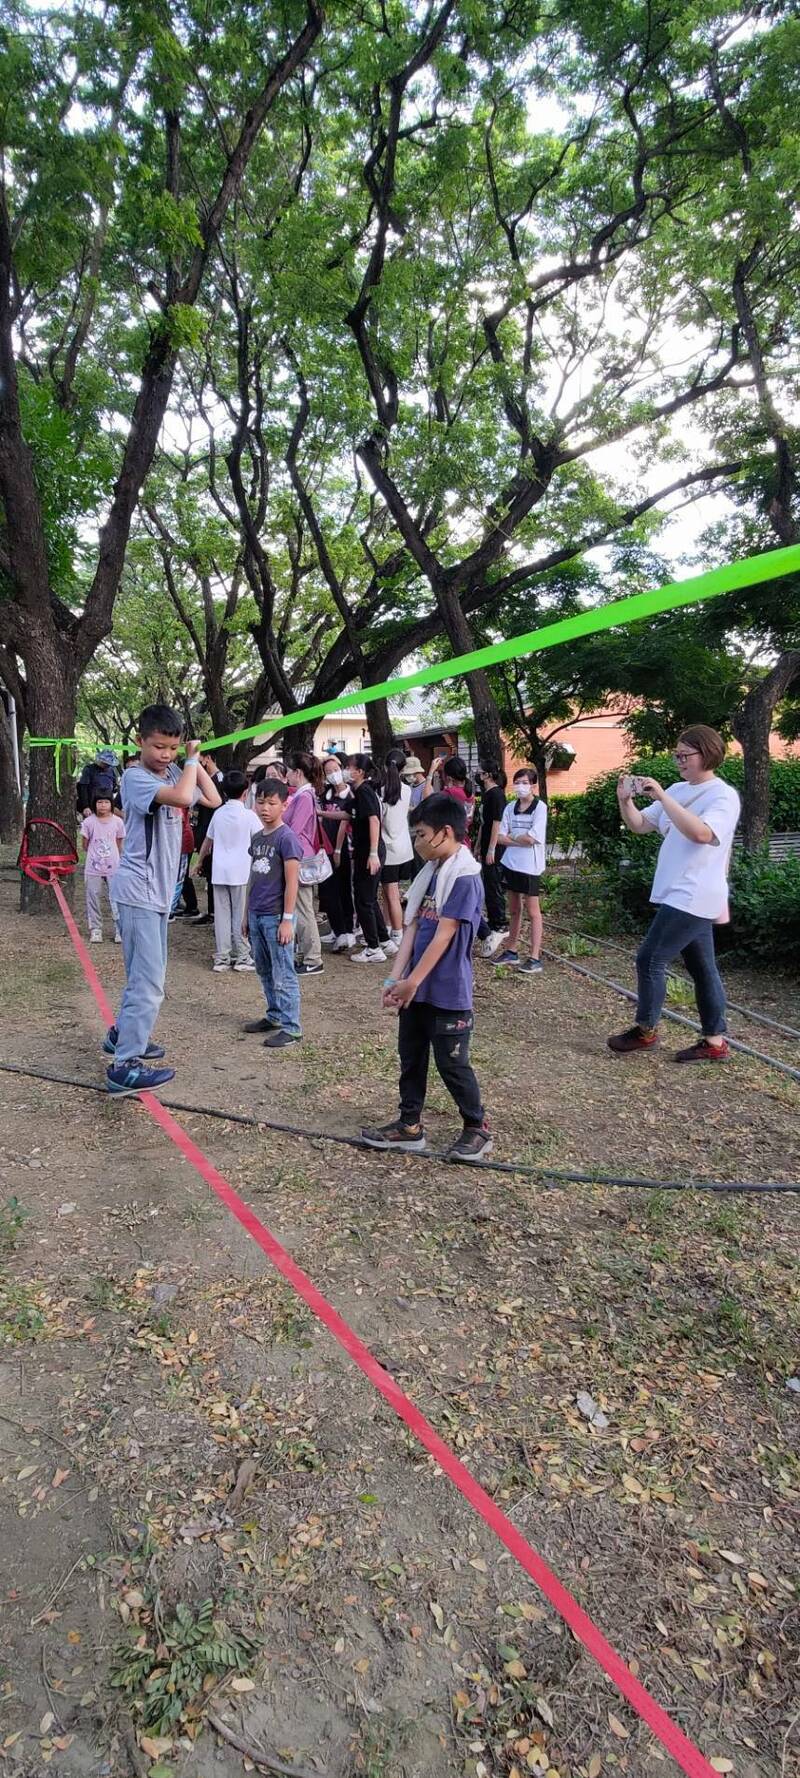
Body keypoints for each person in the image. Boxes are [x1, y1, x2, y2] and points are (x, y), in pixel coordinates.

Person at [361, 792, 491, 1163]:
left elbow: (446, 932)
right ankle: (409, 1125)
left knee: (453, 1064)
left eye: (420, 834)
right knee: (411, 1057)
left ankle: (476, 1127)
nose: (416, 843)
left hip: (448, 993)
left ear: (444, 833)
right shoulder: (430, 875)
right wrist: (394, 979)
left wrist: (413, 981)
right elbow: (415, 928)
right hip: (416, 991)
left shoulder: (464, 878)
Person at [105, 705, 222, 1096]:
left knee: (145, 974)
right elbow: (185, 795)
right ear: (140, 742)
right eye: (159, 746)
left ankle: (121, 1035)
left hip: (157, 894)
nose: (166, 755)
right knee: (148, 982)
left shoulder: (174, 768)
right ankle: (124, 1064)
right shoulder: (136, 777)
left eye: (172, 748)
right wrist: (189, 760)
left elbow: (213, 798)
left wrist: (196, 759)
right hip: (138, 891)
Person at [607, 725, 741, 1062]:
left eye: (685, 755)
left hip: (695, 893)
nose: (679, 760)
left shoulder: (722, 796)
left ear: (707, 754)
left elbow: (701, 833)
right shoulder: (679, 789)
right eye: (676, 754)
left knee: (650, 958)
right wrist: (626, 801)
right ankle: (714, 1042)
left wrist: (663, 796)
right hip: (680, 892)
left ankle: (645, 1031)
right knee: (702, 968)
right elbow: (640, 825)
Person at [242, 777, 303, 1049]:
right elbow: (253, 877)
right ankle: (274, 1015)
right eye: (261, 801)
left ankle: (292, 1027)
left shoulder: (287, 838)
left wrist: (287, 919)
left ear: (284, 805)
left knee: (284, 971)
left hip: (276, 916)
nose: (265, 808)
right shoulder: (257, 838)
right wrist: (245, 915)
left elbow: (293, 882)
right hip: (256, 914)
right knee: (264, 969)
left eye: (271, 803)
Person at [194, 768, 262, 972]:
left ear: (223, 793)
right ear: (245, 792)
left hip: (219, 871)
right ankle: (242, 956)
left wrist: (199, 862)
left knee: (222, 915)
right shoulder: (249, 815)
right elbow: (260, 840)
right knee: (240, 915)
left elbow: (208, 840)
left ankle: (222, 957)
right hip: (241, 872)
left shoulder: (218, 813)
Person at [492, 767, 547, 973]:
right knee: (514, 909)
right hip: (511, 863)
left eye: (525, 782)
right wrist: (518, 838)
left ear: (533, 785)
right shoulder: (509, 807)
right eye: (518, 782)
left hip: (530, 867)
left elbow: (532, 839)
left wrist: (513, 837)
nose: (520, 786)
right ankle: (511, 950)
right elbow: (499, 836)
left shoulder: (540, 808)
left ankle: (534, 956)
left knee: (533, 911)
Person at [284, 751, 326, 976]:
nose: (287, 776)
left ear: (297, 773)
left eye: (289, 771)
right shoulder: (306, 795)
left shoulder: (303, 797)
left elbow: (293, 830)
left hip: (299, 859)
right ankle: (306, 955)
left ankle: (313, 958)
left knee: (303, 908)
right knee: (301, 907)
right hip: (300, 857)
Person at [346, 754, 390, 963]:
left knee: (363, 900)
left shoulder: (364, 791)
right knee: (370, 898)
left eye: (349, 767)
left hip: (369, 852)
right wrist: (320, 813)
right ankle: (383, 939)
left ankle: (373, 947)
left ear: (359, 772)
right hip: (368, 850)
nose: (346, 770)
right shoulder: (361, 792)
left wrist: (373, 853)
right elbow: (348, 815)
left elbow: (374, 820)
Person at [318, 754, 356, 951]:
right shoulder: (325, 795)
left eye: (335, 770)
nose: (333, 775)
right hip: (326, 849)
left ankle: (348, 931)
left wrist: (339, 849)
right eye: (328, 772)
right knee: (329, 891)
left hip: (344, 850)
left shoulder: (351, 796)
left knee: (344, 890)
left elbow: (344, 821)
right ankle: (337, 929)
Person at [378, 749, 414, 954]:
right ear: (403, 769)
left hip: (388, 850)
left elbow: (383, 822)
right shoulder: (407, 790)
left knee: (390, 893)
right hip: (404, 849)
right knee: (391, 892)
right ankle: (389, 927)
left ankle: (398, 933)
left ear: (384, 766)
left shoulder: (381, 791)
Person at [474, 761, 510, 956]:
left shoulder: (496, 795)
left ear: (487, 775)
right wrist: (479, 845)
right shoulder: (487, 795)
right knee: (487, 883)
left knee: (494, 884)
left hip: (495, 848)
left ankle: (500, 924)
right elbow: (484, 823)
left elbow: (497, 823)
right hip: (487, 844)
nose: (477, 774)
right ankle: (494, 920)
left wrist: (491, 849)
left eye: (480, 771)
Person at [80, 793, 125, 944]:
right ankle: (95, 929)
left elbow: (119, 842)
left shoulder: (118, 822)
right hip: (93, 867)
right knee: (93, 897)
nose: (103, 805)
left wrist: (116, 856)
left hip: (114, 867)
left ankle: (119, 929)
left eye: (106, 802)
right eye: (99, 802)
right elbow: (85, 843)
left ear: (111, 804)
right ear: (95, 804)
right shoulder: (88, 822)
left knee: (116, 899)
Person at [188, 753, 225, 924]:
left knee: (212, 873)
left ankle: (215, 912)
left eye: (199, 759)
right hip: (203, 830)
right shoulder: (207, 779)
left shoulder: (219, 779)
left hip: (213, 833)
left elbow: (216, 805)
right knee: (208, 872)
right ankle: (211, 911)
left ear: (208, 758)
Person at [76, 747, 119, 817]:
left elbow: (113, 787)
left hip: (107, 807)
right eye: (105, 763)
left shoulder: (111, 771)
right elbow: (83, 788)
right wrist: (85, 806)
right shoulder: (89, 769)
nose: (107, 765)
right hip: (91, 807)